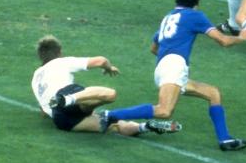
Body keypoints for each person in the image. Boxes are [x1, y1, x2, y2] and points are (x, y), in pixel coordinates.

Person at [101, 0, 246, 151]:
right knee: (164, 111)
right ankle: (109, 115)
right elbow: (223, 40)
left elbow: (154, 48)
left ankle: (225, 140)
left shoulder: (168, 17)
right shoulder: (195, 15)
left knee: (213, 93)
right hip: (174, 67)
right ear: (197, 2)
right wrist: (242, 38)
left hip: (165, 66)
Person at [32, 36, 181, 136]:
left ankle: (145, 127)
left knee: (110, 123)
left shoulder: (35, 77)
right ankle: (68, 99)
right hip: (67, 95)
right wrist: (109, 68)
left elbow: (44, 110)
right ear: (59, 52)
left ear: (41, 56)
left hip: (61, 120)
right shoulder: (60, 62)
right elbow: (101, 61)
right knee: (110, 94)